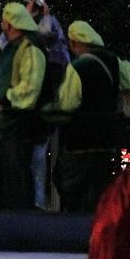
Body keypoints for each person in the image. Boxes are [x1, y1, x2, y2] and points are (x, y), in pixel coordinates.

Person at [51, 20, 130, 212]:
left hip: (80, 141)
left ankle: (78, 232)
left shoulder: (77, 68)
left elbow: (66, 105)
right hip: (107, 141)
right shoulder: (114, 62)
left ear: (75, 43)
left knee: (73, 190)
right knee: (101, 192)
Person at [0, 2, 50, 210]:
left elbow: (29, 87)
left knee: (17, 180)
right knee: (1, 180)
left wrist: (1, 104)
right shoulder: (13, 48)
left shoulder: (30, 49)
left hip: (17, 125)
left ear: (10, 23)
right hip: (2, 126)